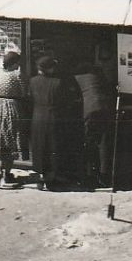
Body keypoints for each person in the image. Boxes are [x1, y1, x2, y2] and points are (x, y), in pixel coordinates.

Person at [28, 55, 80, 191]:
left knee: (39, 147)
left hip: (37, 116)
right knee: (53, 147)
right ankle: (51, 178)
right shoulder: (58, 82)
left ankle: (40, 175)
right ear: (50, 68)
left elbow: (29, 98)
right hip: (53, 117)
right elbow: (67, 101)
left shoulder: (32, 81)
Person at [74, 53, 116, 188]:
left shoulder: (77, 78)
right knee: (103, 142)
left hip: (90, 111)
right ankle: (104, 176)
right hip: (104, 108)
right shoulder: (97, 76)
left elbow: (76, 97)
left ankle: (88, 175)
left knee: (88, 142)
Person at [0, 48, 26, 188]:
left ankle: (0, 171)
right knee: (10, 140)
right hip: (11, 106)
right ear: (14, 63)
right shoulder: (17, 74)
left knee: (0, 138)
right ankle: (5, 176)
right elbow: (23, 92)